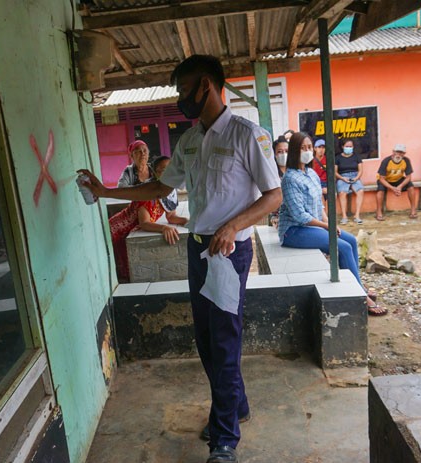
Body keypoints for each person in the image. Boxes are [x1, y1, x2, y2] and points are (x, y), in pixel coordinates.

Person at [80, 54, 282, 463]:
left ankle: (224, 441)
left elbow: (274, 196)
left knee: (224, 342)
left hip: (228, 252)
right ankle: (235, 406)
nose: (180, 99)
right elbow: (156, 189)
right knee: (207, 341)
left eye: (182, 89)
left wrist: (233, 225)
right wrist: (105, 192)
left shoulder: (248, 135)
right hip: (198, 249)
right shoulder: (190, 142)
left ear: (205, 85)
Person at [277, 132, 384, 316]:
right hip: (294, 230)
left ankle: (356, 284)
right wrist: (326, 227)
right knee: (340, 247)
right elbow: (299, 215)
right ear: (294, 151)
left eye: (310, 147)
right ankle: (360, 296)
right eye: (303, 148)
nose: (308, 151)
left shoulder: (311, 173)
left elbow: (319, 206)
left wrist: (330, 223)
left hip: (313, 226)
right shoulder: (290, 178)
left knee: (349, 240)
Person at [108, 156, 188, 282]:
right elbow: (144, 223)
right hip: (117, 230)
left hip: (129, 231)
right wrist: (163, 228)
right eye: (162, 170)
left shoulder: (170, 190)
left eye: (169, 169)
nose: (167, 173)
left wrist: (186, 221)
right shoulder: (148, 191)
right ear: (155, 173)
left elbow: (171, 216)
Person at [375, 143, 418, 221]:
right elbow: (381, 178)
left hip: (398, 179)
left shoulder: (406, 160)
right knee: (380, 190)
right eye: (397, 152)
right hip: (386, 180)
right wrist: (393, 188)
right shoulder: (386, 161)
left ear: (404, 154)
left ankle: (413, 210)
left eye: (401, 153)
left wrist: (400, 186)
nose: (399, 154)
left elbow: (408, 177)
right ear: (393, 152)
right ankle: (379, 212)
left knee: (411, 186)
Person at [334, 139, 364, 224]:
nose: (349, 148)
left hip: (355, 176)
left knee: (360, 191)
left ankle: (357, 215)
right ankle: (344, 216)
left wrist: (356, 178)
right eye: (347, 146)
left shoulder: (356, 156)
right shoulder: (338, 158)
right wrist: (342, 178)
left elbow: (360, 170)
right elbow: (335, 172)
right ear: (343, 147)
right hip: (342, 177)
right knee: (342, 193)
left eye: (350, 146)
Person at [268, 137, 289, 227]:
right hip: (278, 217)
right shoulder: (271, 173)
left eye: (287, 151)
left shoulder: (295, 171)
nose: (284, 154)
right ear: (274, 154)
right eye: (280, 152)